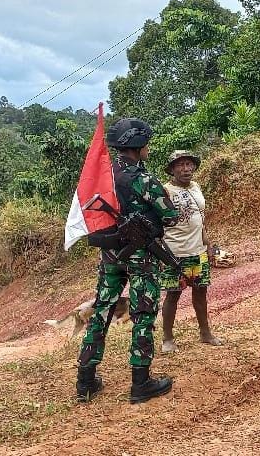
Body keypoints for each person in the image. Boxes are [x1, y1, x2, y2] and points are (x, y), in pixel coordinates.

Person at [76, 118, 177, 404]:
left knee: (101, 311)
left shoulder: (104, 176)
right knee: (143, 313)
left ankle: (85, 381)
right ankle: (141, 382)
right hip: (140, 257)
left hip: (110, 256)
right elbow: (171, 216)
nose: (148, 148)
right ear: (138, 145)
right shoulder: (143, 179)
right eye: (146, 144)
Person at [159, 150, 223, 353]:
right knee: (173, 294)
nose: (186, 169)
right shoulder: (165, 190)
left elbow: (200, 219)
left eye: (189, 164)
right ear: (172, 169)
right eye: (180, 165)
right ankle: (167, 338)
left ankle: (205, 332)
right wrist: (161, 253)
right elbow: (158, 223)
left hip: (198, 250)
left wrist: (208, 245)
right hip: (175, 253)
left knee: (201, 292)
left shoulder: (196, 187)